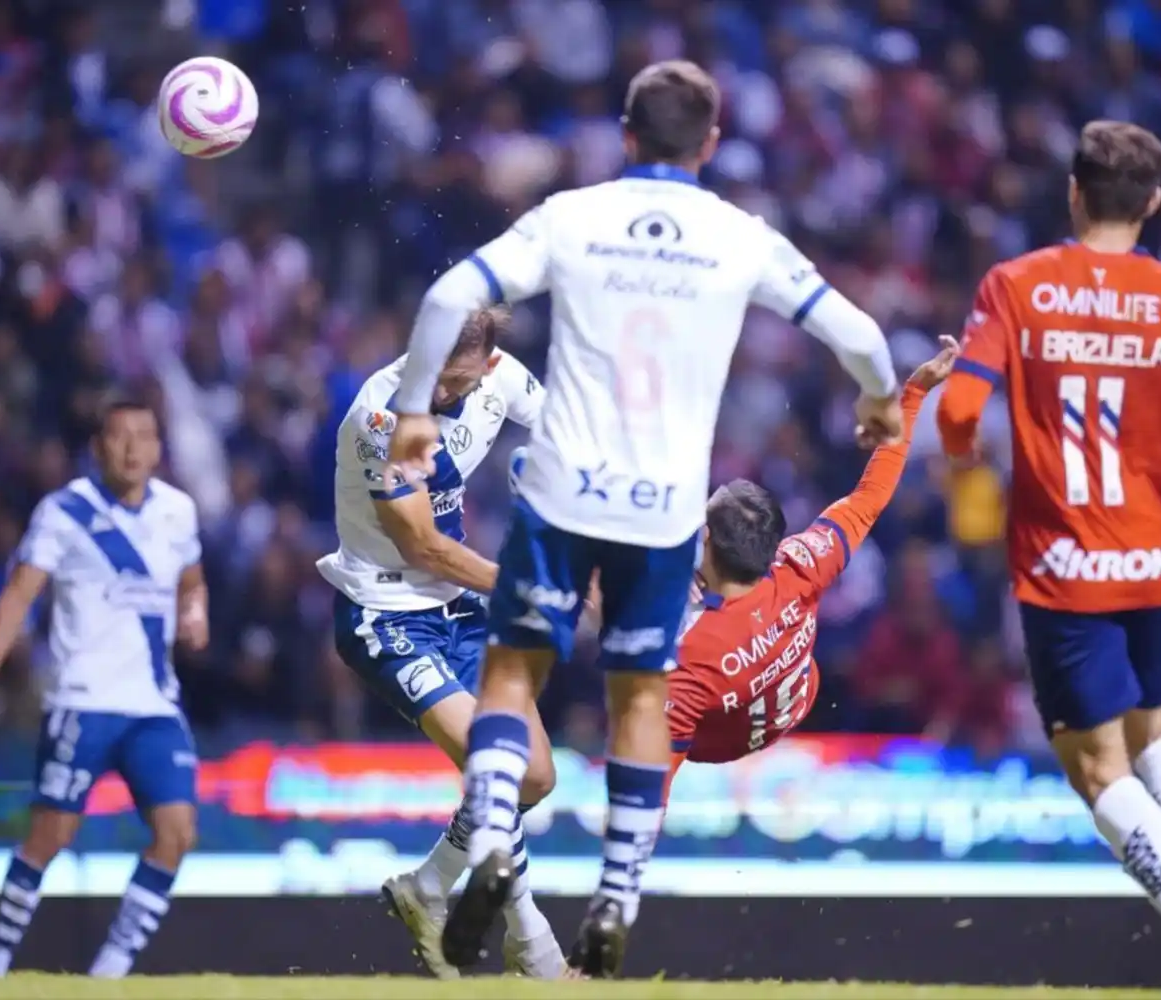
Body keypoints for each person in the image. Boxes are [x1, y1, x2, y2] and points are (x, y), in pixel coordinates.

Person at [387, 59, 902, 978]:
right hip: (664, 509)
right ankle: (616, 898)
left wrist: (420, 409)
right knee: (641, 700)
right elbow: (859, 334)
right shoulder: (740, 236)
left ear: (625, 135)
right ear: (709, 144)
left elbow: (445, 300)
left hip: (565, 490)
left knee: (511, 682)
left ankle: (494, 845)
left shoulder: (571, 217)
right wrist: (879, 403)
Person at [935, 120, 1161, 990]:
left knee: (1097, 766)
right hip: (1152, 563)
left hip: (1065, 568)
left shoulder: (1016, 284)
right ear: (1154, 203)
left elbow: (958, 411)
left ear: (1073, 192)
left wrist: (967, 453)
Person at [316, 305, 567, 980]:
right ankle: (533, 945)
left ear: (486, 366)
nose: (442, 393)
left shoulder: (503, 380)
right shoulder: (381, 417)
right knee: (500, 766)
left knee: (537, 777)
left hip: (460, 609)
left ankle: (427, 889)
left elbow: (570, 442)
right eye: (435, 375)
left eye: (458, 381)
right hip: (387, 614)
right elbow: (421, 545)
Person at [0, 397, 210, 979]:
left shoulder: (178, 511)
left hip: (153, 704)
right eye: (119, 437)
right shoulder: (64, 512)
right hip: (83, 701)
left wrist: (195, 612)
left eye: (143, 436)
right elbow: (20, 595)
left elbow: (193, 581)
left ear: (158, 447)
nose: (132, 449)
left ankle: (111, 971)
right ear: (98, 447)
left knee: (177, 833)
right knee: (50, 837)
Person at [666, 337, 959, 790]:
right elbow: (870, 496)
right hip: (792, 697)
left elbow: (651, 782)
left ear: (707, 541)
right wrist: (914, 395)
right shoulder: (800, 564)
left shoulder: (689, 648)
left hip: (717, 743)